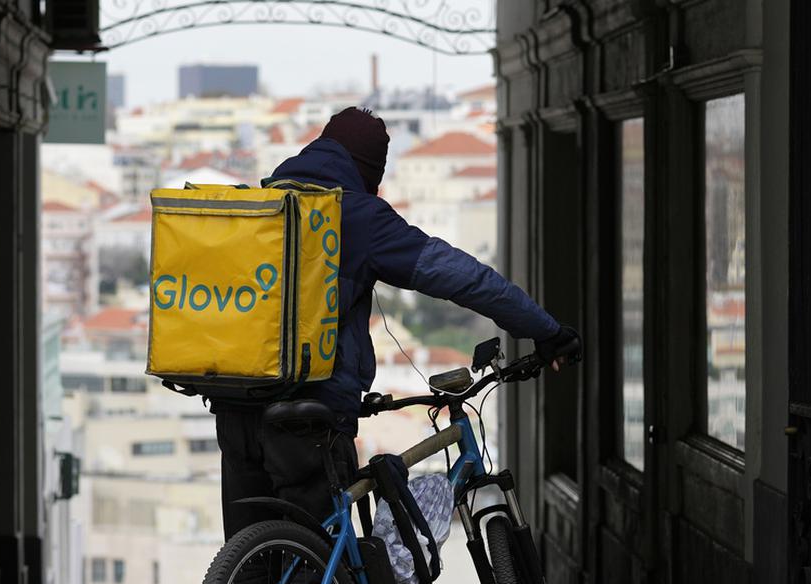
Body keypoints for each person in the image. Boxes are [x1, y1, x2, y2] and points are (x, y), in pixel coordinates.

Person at [213, 107, 582, 541]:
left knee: (249, 558)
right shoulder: (357, 215)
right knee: (314, 565)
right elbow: (464, 278)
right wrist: (545, 329)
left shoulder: (259, 207)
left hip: (234, 409)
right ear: (369, 172)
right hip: (309, 420)